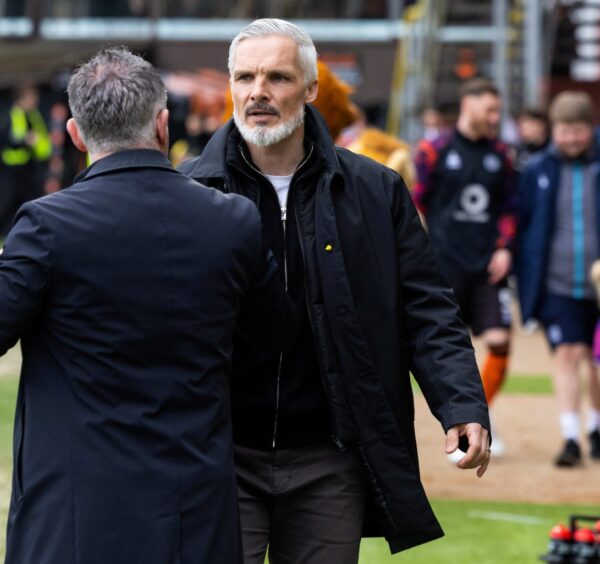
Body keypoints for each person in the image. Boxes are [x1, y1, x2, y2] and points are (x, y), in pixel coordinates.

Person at [0, 48, 294, 564]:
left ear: (77, 135)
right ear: (163, 124)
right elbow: (277, 333)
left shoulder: (47, 224)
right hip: (194, 512)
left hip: (77, 519)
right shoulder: (231, 220)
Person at [179, 18, 490, 563]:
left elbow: (427, 312)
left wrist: (461, 402)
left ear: (311, 88)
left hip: (330, 458)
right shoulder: (185, 191)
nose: (258, 93)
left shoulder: (375, 190)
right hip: (218, 454)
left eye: (276, 77)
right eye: (244, 77)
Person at [413, 78, 516, 457]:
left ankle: (478, 419)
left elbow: (509, 206)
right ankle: (459, 423)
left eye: (497, 110)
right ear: (468, 105)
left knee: (500, 342)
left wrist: (504, 247)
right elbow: (415, 203)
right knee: (448, 347)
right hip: (444, 268)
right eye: (489, 109)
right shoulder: (433, 150)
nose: (495, 117)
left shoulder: (501, 154)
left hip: (488, 266)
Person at [516, 91, 600, 467]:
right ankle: (570, 437)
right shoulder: (537, 169)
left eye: (578, 131)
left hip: (599, 284)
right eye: (564, 131)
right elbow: (524, 226)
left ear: (590, 129)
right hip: (558, 283)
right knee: (568, 353)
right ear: (554, 130)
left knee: (595, 359)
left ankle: (596, 428)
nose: (570, 138)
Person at [0, 83, 51, 235]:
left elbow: (42, 140)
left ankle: (25, 231)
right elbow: (5, 140)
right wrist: (25, 140)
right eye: (32, 98)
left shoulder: (33, 115)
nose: (35, 101)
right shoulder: (11, 115)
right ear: (22, 98)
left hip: (30, 165)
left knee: (27, 200)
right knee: (16, 200)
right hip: (13, 167)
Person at [514, 106, 550, 172]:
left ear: (541, 125)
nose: (523, 128)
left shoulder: (553, 151)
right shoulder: (520, 151)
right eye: (520, 124)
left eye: (527, 122)